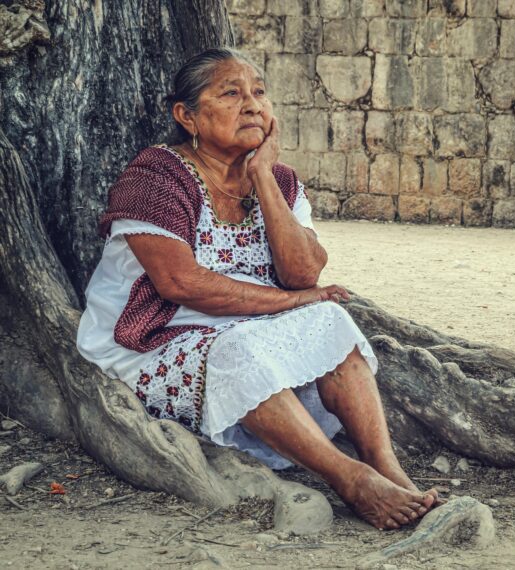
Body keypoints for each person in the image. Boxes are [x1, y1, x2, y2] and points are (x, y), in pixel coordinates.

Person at [76, 47, 437, 530]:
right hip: (153, 340)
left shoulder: (282, 182)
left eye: (259, 93)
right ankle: (349, 479)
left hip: (248, 326)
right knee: (241, 346)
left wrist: (263, 176)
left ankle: (388, 470)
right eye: (231, 93)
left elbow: (303, 274)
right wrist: (292, 302)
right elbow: (181, 284)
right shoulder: (155, 176)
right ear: (187, 116)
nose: (252, 106)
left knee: (331, 321)